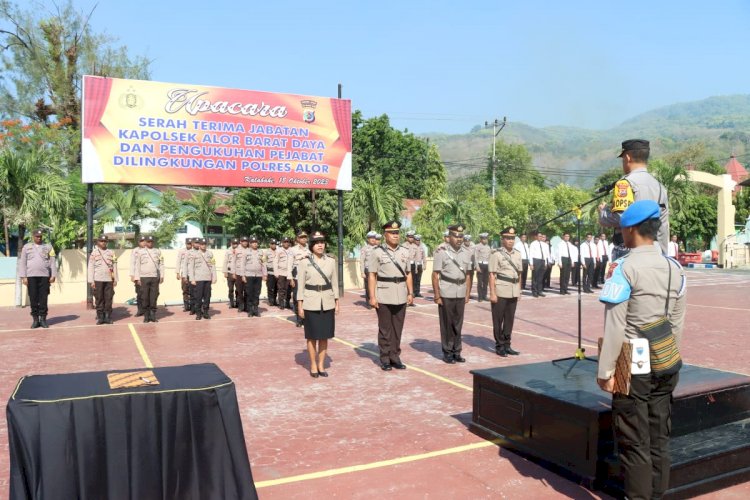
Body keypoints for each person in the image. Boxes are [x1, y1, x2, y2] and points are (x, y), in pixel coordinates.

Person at [597, 200, 686, 500]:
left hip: (632, 362)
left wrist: (606, 371)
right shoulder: (675, 268)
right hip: (666, 359)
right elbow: (676, 322)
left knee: (634, 441)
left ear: (631, 229)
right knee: (659, 437)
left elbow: (615, 326)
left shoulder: (624, 268)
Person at [599, 139, 670, 260]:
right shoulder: (660, 187)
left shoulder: (625, 184)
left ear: (627, 158)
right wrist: (663, 255)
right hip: (654, 251)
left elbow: (621, 218)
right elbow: (663, 226)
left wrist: (603, 213)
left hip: (629, 251)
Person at [368, 220, 414, 371]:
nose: (395, 235)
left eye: (397, 233)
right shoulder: (377, 252)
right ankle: (385, 358)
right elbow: (372, 275)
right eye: (392, 233)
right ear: (385, 235)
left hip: (400, 293)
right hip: (384, 294)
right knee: (385, 329)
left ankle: (395, 356)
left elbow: (408, 274)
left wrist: (410, 292)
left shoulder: (405, 251)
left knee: (398, 328)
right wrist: (372, 297)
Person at [297, 231, 340, 378]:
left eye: (322, 242)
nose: (320, 245)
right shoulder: (304, 262)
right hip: (311, 302)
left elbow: (334, 283)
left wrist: (337, 302)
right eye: (317, 243)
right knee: (312, 336)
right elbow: (300, 285)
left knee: (324, 336)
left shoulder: (331, 261)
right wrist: (299, 305)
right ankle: (313, 365)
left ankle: (321, 365)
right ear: (312, 246)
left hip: (327, 302)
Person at [432, 224, 473, 364]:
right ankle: (447, 352)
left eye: (461, 236)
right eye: (456, 236)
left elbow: (468, 275)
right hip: (446, 291)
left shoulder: (467, 252)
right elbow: (435, 275)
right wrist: (437, 295)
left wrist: (467, 293)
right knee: (447, 324)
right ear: (449, 237)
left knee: (458, 323)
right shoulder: (441, 252)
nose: (459, 239)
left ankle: (457, 351)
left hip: (460, 291)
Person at [489, 227, 523, 356]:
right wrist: (492, 293)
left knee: (509, 319)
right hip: (501, 289)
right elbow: (492, 274)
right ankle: (499, 345)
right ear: (502, 239)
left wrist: (519, 290)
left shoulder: (518, 254)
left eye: (512, 238)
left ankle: (507, 344)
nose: (510, 241)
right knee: (498, 320)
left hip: (513, 290)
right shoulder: (496, 254)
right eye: (508, 238)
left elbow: (519, 274)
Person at [18, 228, 58, 328]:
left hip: (44, 276)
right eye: (37, 236)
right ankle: (35, 319)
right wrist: (23, 276)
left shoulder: (48, 247)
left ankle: (43, 319)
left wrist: (53, 275)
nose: (39, 238)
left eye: (40, 236)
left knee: (43, 298)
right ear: (33, 237)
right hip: (31, 277)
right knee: (33, 298)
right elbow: (22, 262)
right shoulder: (26, 247)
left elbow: (53, 261)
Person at [88, 235, 118, 325]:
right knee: (99, 298)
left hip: (109, 279)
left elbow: (115, 266)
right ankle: (101, 317)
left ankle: (107, 317)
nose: (103, 243)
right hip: (98, 279)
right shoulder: (94, 253)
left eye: (105, 241)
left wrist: (115, 279)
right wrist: (91, 280)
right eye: (101, 241)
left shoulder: (111, 253)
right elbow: (90, 267)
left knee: (108, 298)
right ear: (98, 242)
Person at [134, 235, 164, 323]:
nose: (150, 243)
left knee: (153, 297)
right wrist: (137, 278)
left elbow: (161, 264)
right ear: (146, 242)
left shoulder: (158, 252)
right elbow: (137, 265)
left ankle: (153, 315)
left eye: (151, 242)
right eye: (148, 241)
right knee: (145, 297)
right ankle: (146, 316)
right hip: (144, 277)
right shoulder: (140, 252)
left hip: (154, 277)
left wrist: (162, 276)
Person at [238, 235, 267, 317]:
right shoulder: (246, 252)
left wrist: (265, 274)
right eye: (253, 242)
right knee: (249, 293)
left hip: (258, 275)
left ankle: (256, 309)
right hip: (249, 275)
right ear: (250, 243)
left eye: (256, 242)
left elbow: (264, 264)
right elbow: (242, 264)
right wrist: (243, 275)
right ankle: (250, 310)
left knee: (257, 293)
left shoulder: (261, 252)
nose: (255, 244)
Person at [190, 237, 217, 320]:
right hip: (198, 278)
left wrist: (214, 276)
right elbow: (191, 267)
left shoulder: (210, 254)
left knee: (207, 296)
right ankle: (198, 313)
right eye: (202, 244)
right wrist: (192, 279)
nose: (203, 246)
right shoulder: (194, 254)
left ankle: (205, 312)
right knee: (198, 297)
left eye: (205, 244)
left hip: (208, 278)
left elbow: (213, 265)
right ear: (199, 245)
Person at [288, 231, 311, 326]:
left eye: (305, 237)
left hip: (308, 278)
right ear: (298, 239)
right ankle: (299, 318)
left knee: (307, 298)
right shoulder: (292, 250)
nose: (304, 239)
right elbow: (289, 265)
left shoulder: (309, 249)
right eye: (302, 237)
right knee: (297, 298)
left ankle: (306, 318)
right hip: (297, 277)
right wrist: (291, 279)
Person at [360, 231, 379, 306]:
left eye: (374, 238)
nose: (373, 239)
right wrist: (362, 272)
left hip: (377, 270)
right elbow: (362, 261)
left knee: (377, 286)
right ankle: (369, 302)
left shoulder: (379, 248)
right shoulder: (364, 248)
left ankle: (376, 301)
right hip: (368, 270)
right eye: (371, 238)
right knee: (368, 287)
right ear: (368, 239)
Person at [528, 232, 549, 298]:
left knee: (541, 277)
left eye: (541, 236)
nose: (540, 237)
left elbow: (545, 254)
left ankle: (540, 291)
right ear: (536, 237)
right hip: (536, 260)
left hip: (542, 261)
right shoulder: (533, 244)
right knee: (535, 277)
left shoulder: (544, 244)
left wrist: (545, 263)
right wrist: (531, 264)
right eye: (539, 236)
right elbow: (530, 254)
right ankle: (534, 292)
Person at [274, 237, 293, 310]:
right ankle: (281, 304)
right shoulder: (279, 251)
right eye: (284, 242)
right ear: (282, 242)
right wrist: (276, 272)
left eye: (287, 241)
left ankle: (287, 303)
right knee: (281, 289)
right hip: (281, 272)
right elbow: (275, 261)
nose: (286, 243)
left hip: (289, 273)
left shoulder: (291, 250)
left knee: (289, 289)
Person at [130, 235, 146, 317]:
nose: (143, 242)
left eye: (144, 241)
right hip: (138, 275)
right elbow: (132, 263)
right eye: (141, 241)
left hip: (147, 275)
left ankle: (147, 309)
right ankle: (140, 310)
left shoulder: (150, 250)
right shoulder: (135, 251)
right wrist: (132, 275)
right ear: (138, 242)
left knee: (147, 294)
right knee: (139, 294)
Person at [233, 236, 249, 312]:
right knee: (239, 291)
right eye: (243, 241)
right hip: (239, 273)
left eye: (246, 241)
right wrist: (233, 273)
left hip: (247, 273)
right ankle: (240, 306)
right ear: (240, 242)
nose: (245, 242)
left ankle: (246, 306)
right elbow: (233, 262)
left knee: (247, 291)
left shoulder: (250, 250)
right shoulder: (236, 250)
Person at [474, 232, 492, 301]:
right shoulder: (477, 246)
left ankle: (484, 296)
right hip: (480, 265)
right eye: (484, 239)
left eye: (486, 239)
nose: (485, 240)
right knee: (480, 282)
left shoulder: (488, 247)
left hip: (487, 265)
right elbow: (476, 257)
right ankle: (480, 297)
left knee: (485, 282)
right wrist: (477, 266)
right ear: (481, 239)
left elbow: (490, 257)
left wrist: (490, 267)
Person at [222, 237, 239, 308]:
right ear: (231, 243)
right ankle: (231, 302)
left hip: (238, 272)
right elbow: (225, 261)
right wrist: (225, 272)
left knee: (238, 289)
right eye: (233, 243)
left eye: (236, 243)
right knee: (231, 289)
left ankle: (238, 302)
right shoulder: (228, 251)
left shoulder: (240, 250)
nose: (235, 245)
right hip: (230, 272)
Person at [177, 237, 193, 311]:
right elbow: (178, 262)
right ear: (185, 243)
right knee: (185, 289)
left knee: (193, 290)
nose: (189, 245)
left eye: (190, 244)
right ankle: (186, 305)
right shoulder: (181, 251)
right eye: (188, 244)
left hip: (193, 273)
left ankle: (193, 305)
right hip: (184, 273)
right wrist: (177, 272)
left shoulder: (195, 251)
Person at [264, 239, 278, 306]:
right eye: (272, 243)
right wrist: (265, 274)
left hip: (277, 272)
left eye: (274, 243)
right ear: (270, 244)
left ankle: (275, 300)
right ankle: (270, 301)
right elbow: (263, 262)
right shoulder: (266, 252)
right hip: (270, 272)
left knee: (276, 287)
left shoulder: (279, 251)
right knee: (270, 287)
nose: (273, 245)